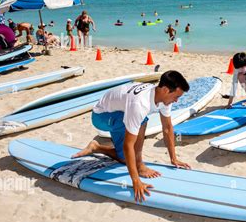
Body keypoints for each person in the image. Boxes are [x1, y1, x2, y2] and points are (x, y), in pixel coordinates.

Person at [72, 70, 191, 203]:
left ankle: (96, 147)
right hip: (101, 116)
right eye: (176, 96)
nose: (176, 100)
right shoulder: (140, 104)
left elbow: (168, 128)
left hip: (118, 112)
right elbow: (128, 145)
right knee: (141, 125)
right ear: (165, 90)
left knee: (126, 159)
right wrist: (136, 181)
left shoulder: (163, 99)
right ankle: (139, 165)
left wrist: (173, 159)